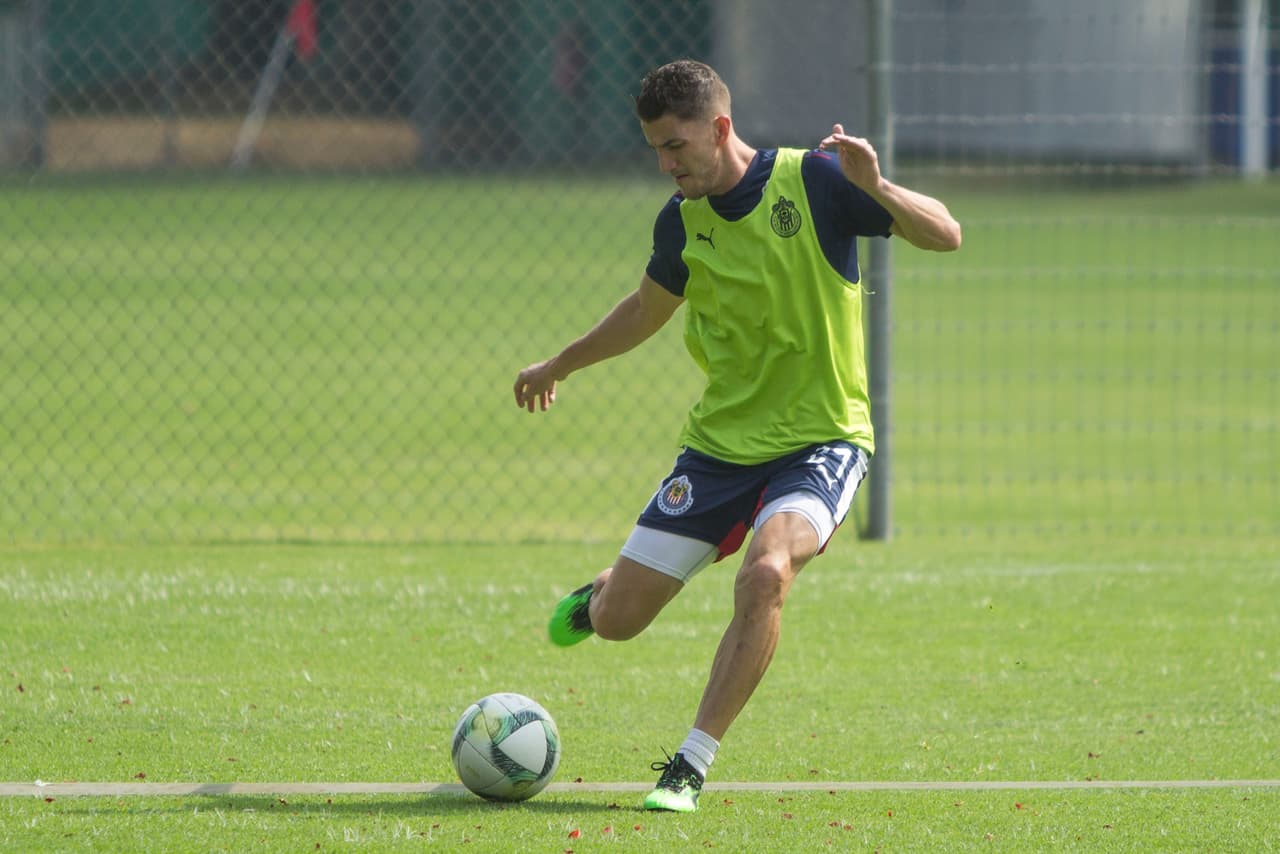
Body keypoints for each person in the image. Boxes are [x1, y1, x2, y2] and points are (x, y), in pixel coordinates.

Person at [513, 59, 961, 813]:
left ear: (720, 129)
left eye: (675, 145)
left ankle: (688, 766)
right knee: (620, 623)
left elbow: (945, 234)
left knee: (766, 574)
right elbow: (644, 313)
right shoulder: (680, 220)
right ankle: (602, 596)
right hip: (720, 449)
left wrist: (875, 185)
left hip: (823, 438)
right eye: (655, 148)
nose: (665, 163)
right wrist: (560, 363)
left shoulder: (815, 181)